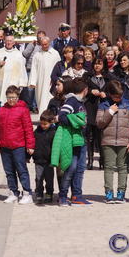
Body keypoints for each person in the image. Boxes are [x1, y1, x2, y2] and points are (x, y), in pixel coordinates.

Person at [0, 85, 35, 204]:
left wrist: (30, 145)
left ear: (18, 97)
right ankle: (13, 192)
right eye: (9, 97)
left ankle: (27, 193)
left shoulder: (23, 110)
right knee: (9, 171)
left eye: (14, 97)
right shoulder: (1, 110)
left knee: (21, 170)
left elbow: (28, 129)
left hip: (18, 146)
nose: (11, 100)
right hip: (5, 146)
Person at [96, 80, 129, 204]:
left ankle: (121, 193)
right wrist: (110, 112)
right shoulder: (103, 105)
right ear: (110, 94)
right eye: (115, 96)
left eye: (120, 96)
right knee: (108, 167)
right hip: (108, 141)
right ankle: (109, 193)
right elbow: (99, 123)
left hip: (124, 142)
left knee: (123, 167)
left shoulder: (128, 105)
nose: (118, 99)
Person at [51, 78, 88, 206]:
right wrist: (76, 123)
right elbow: (62, 116)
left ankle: (77, 195)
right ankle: (63, 196)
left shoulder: (79, 102)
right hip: (71, 139)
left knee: (79, 168)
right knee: (70, 168)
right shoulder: (72, 101)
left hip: (80, 139)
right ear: (85, 90)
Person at [82, 59, 112, 170]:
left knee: (101, 135)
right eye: (95, 63)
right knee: (89, 136)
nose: (97, 66)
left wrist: (106, 94)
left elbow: (115, 89)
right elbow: (82, 89)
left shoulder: (109, 77)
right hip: (91, 107)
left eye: (99, 63)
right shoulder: (87, 76)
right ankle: (90, 159)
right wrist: (90, 91)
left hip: (103, 107)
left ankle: (102, 160)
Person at [0, 35, 28, 104]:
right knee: (0, 100)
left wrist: (21, 82)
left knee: (12, 98)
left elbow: (22, 68)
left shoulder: (18, 54)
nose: (8, 43)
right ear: (4, 41)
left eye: (10, 41)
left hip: (13, 82)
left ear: (13, 43)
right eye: (7, 41)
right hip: (1, 82)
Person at [29, 36, 61, 115]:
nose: (44, 46)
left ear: (49, 43)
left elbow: (59, 67)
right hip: (40, 82)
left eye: (46, 44)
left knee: (50, 98)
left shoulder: (55, 53)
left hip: (52, 82)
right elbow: (34, 69)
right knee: (40, 99)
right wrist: (33, 81)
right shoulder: (37, 55)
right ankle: (42, 117)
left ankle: (51, 117)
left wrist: (58, 79)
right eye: (42, 44)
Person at [32, 110, 57, 204]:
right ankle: (39, 193)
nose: (43, 126)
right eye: (41, 123)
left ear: (51, 123)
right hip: (38, 160)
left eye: (45, 124)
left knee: (49, 179)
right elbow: (32, 144)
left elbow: (56, 147)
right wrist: (29, 156)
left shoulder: (54, 132)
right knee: (38, 178)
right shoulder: (37, 131)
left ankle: (49, 194)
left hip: (49, 161)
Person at [22, 31, 43, 113]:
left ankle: (36, 106)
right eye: (39, 37)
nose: (40, 39)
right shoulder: (32, 45)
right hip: (30, 70)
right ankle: (30, 106)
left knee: (38, 89)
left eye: (42, 37)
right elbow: (24, 54)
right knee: (30, 90)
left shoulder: (45, 46)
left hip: (40, 71)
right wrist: (31, 46)